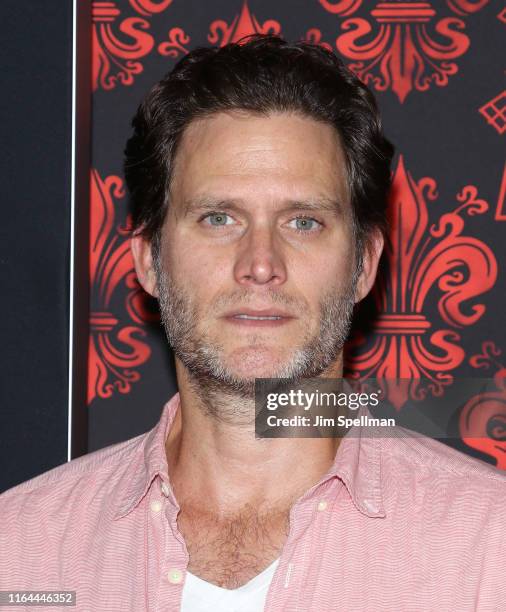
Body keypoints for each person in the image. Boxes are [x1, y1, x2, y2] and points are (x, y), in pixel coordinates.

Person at [0, 35, 504, 612]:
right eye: (219, 218)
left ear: (364, 263)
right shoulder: (19, 551)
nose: (260, 264)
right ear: (148, 262)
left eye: (304, 222)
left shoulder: (490, 547)